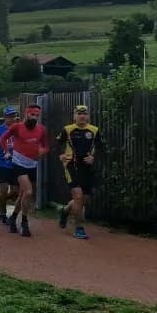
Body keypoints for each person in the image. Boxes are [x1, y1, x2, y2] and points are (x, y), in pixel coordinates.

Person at [56, 102, 104, 240]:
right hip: (71, 166)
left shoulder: (94, 130)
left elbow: (101, 147)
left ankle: (64, 211)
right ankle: (79, 228)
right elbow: (58, 144)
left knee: (83, 200)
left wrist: (93, 157)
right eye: (79, 113)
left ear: (88, 116)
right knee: (78, 196)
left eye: (84, 113)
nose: (82, 116)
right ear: (74, 116)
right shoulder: (68, 129)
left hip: (87, 169)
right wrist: (61, 155)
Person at [3, 101, 51, 236]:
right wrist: (6, 151)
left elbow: (46, 146)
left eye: (36, 115)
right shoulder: (17, 127)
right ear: (26, 114)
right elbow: (3, 138)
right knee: (29, 192)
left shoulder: (42, 129)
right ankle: (24, 222)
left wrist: (43, 150)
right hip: (18, 163)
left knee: (23, 194)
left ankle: (13, 218)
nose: (34, 117)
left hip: (32, 164)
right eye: (32, 114)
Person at [0, 106, 20, 227]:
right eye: (9, 116)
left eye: (13, 116)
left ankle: (1, 202)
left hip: (16, 163)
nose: (11, 118)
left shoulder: (19, 129)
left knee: (15, 192)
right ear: (4, 117)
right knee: (3, 189)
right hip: (3, 163)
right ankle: (3, 214)